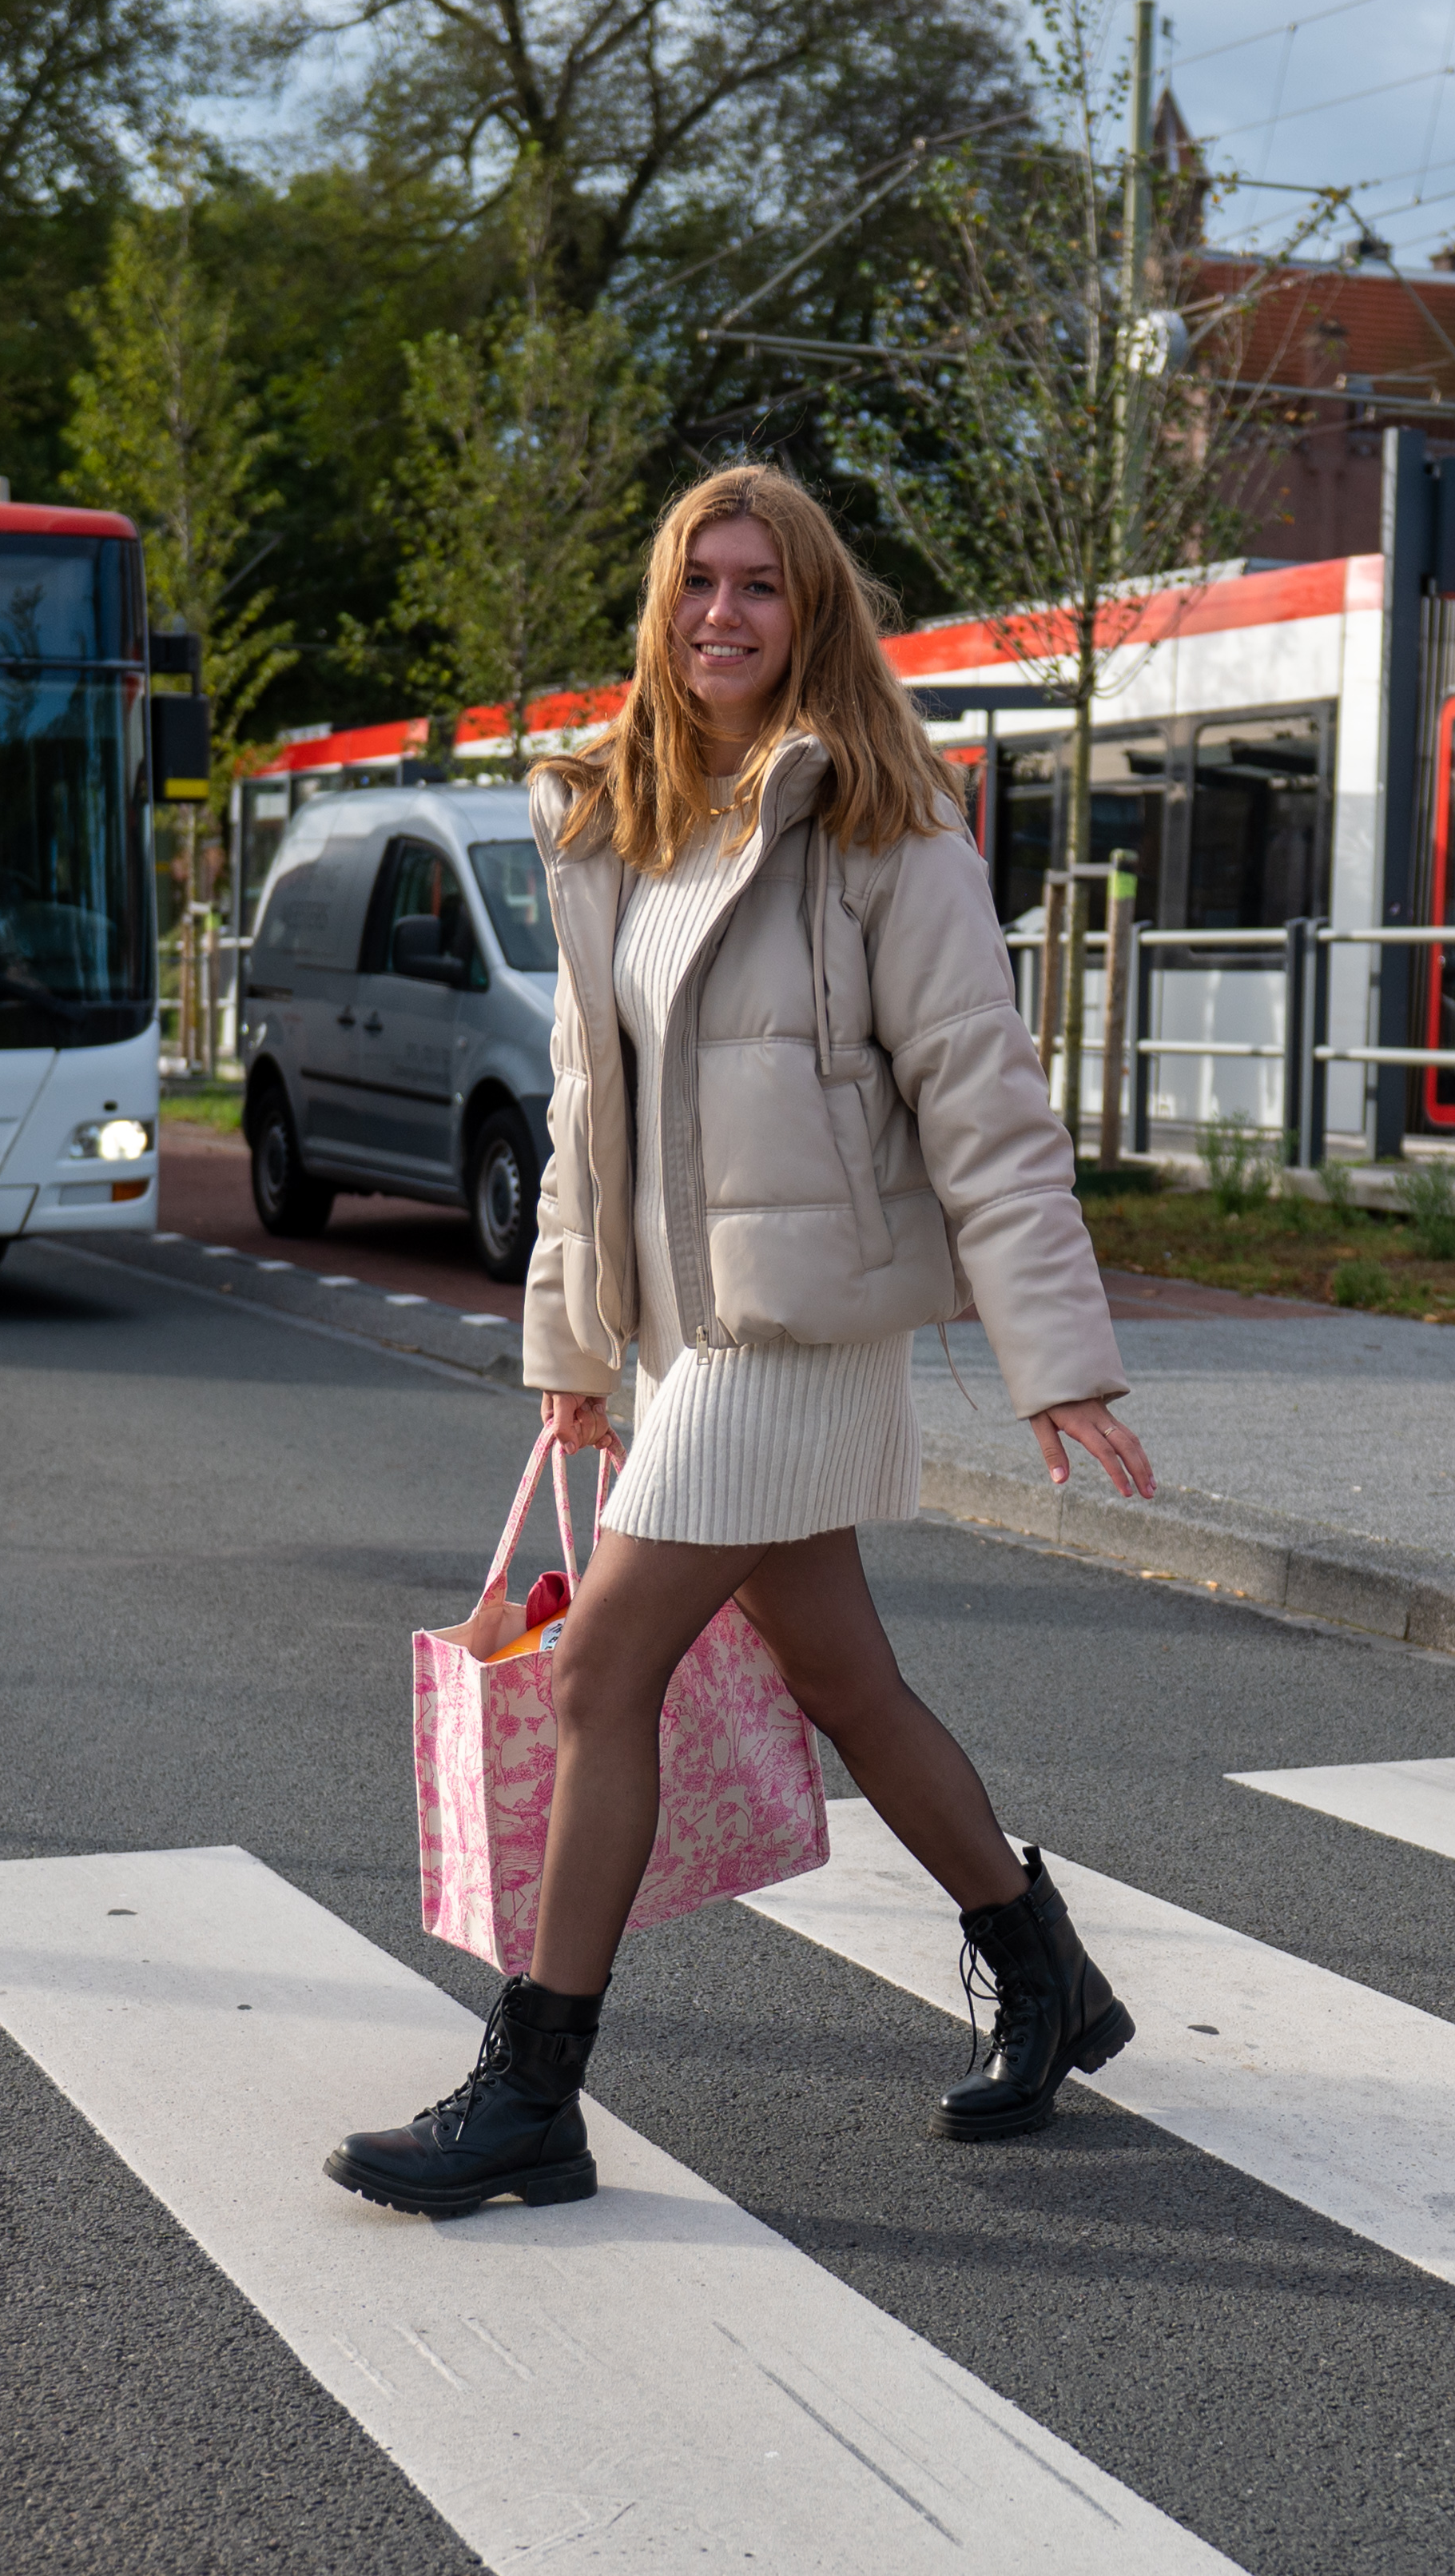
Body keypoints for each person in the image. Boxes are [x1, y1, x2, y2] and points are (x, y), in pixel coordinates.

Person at [326, 464, 1158, 2219]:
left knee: (596, 1667)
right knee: (844, 1679)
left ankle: (533, 2086)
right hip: (681, 1342)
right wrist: (569, 1336)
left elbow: (983, 1097)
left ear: (816, 612)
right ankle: (1047, 1971)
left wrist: (1057, 1352)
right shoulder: (616, 820)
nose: (724, 612)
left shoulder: (880, 823)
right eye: (699, 580)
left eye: (762, 585)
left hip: (801, 1327)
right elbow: (585, 1112)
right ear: (660, 601)